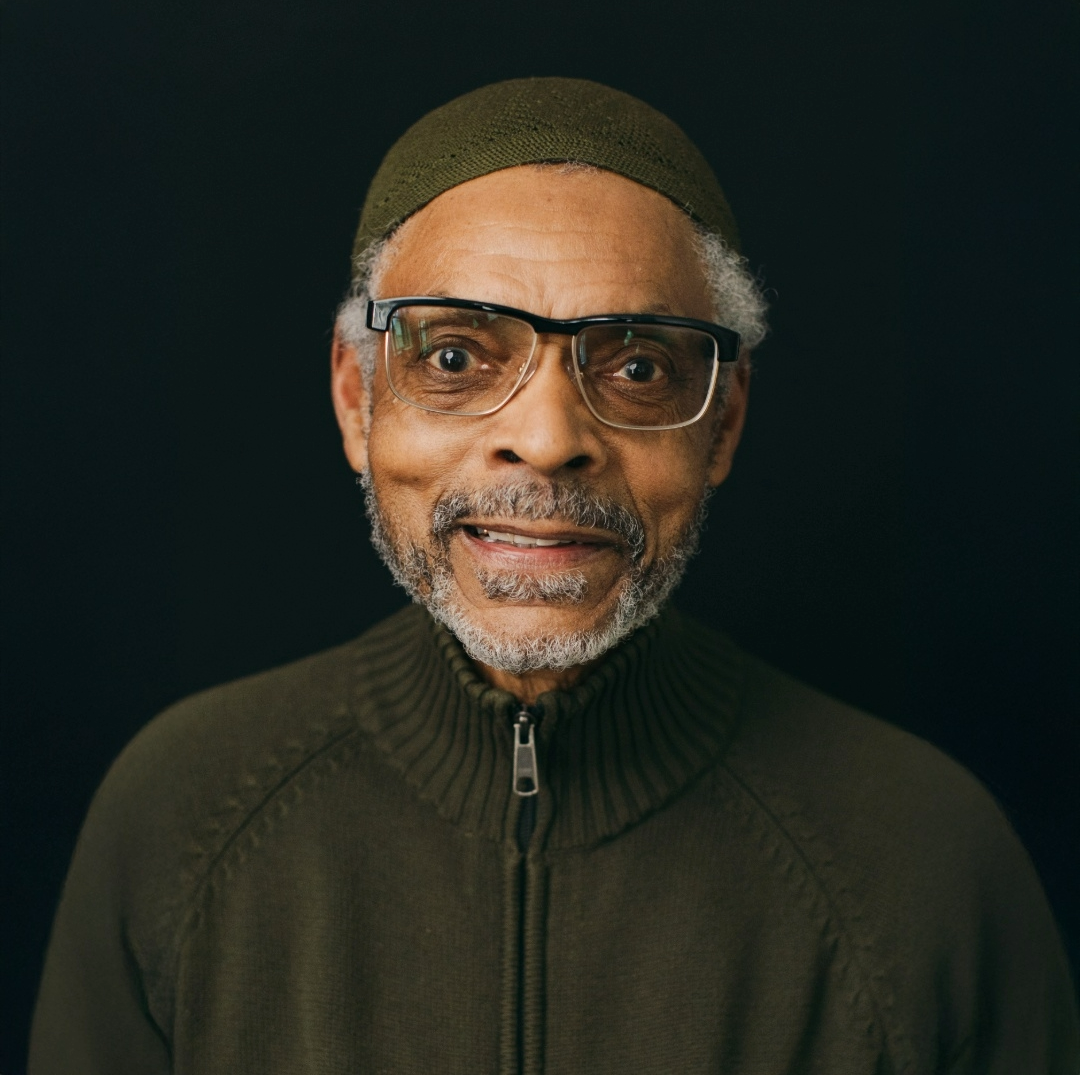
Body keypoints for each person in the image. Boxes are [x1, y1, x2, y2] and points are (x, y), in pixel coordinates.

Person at [29, 77, 1078, 1075]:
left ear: (723, 423)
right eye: (455, 358)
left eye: (636, 366)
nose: (545, 438)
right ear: (357, 400)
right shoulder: (183, 815)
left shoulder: (924, 862)